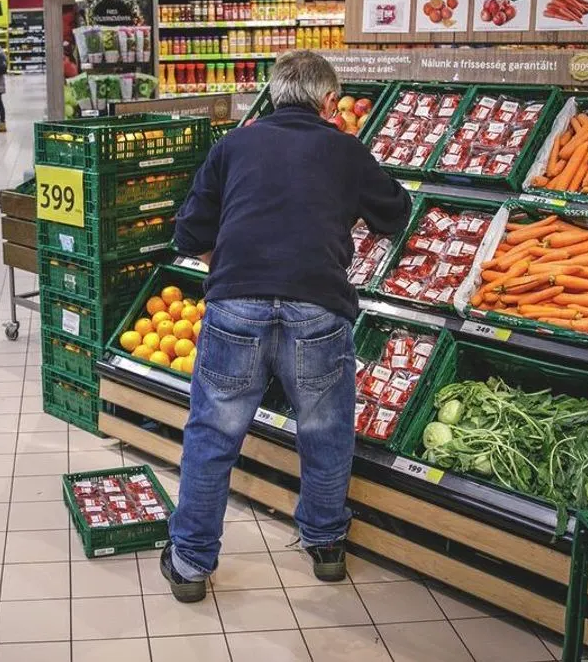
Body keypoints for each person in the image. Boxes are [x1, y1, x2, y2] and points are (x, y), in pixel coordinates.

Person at [162, 51, 413, 602]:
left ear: (274, 96)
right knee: (325, 432)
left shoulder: (233, 145)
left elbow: (188, 233)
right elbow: (398, 213)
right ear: (330, 102)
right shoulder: (345, 149)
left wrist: (231, 264)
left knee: (213, 435)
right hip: (317, 306)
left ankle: (190, 563)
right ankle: (325, 544)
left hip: (235, 305)